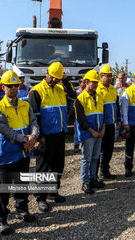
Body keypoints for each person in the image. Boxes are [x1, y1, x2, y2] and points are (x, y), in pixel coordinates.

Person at [0, 71, 39, 235]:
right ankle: (1, 220)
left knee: (21, 183)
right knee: (3, 189)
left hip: (23, 153)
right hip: (5, 155)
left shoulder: (26, 105)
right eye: (9, 86)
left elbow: (34, 122)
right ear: (3, 87)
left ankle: (21, 209)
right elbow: (6, 131)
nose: (13, 89)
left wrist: (33, 136)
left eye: (15, 85)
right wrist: (26, 140)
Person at [29, 62, 76, 212]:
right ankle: (40, 198)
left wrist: (66, 81)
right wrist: (40, 136)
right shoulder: (36, 91)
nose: (55, 80)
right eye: (53, 78)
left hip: (60, 134)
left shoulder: (60, 89)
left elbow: (74, 96)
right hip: (46, 137)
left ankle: (53, 191)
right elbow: (34, 117)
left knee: (57, 165)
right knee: (43, 168)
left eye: (58, 78)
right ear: (47, 73)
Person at [75, 70, 105, 194]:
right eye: (94, 82)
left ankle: (93, 178)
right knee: (86, 159)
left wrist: (102, 129)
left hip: (99, 133)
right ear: (87, 82)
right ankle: (85, 182)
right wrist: (92, 131)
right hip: (88, 134)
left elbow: (104, 115)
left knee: (95, 157)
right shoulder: (80, 99)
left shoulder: (99, 96)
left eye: (97, 82)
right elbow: (82, 120)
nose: (97, 84)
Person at [96, 65, 121, 179]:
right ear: (101, 76)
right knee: (98, 151)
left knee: (109, 149)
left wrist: (119, 119)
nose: (110, 78)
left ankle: (105, 169)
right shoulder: (97, 89)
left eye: (111, 76)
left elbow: (116, 106)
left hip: (111, 124)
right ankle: (94, 174)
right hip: (100, 125)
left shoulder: (113, 89)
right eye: (108, 76)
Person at [74, 78, 86, 150]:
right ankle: (76, 144)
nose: (84, 83)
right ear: (79, 83)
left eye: (85, 82)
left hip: (86, 113)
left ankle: (82, 144)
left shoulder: (88, 92)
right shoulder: (77, 93)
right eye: (83, 82)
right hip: (78, 114)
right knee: (77, 129)